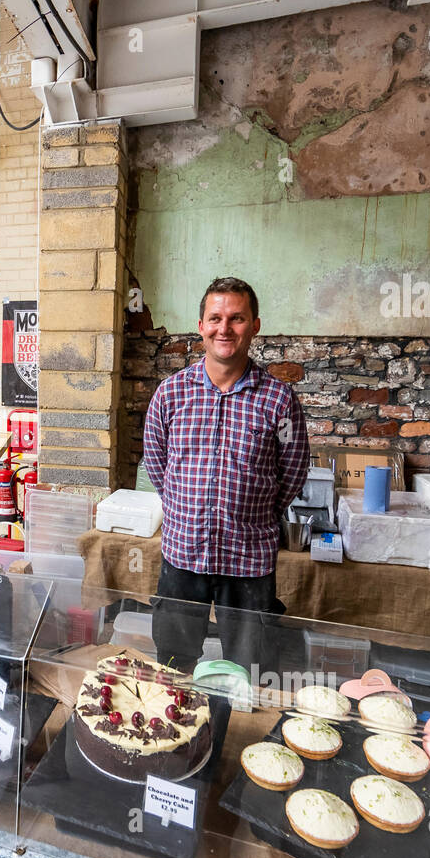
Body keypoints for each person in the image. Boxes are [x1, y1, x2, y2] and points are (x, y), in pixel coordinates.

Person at [142, 277, 310, 673]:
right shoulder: (171, 393)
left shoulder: (278, 399)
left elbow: (294, 468)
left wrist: (252, 513)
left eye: (237, 318)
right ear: (201, 325)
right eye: (215, 318)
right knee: (171, 665)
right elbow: (155, 461)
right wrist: (187, 509)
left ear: (254, 326)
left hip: (248, 559)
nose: (224, 328)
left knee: (251, 669)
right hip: (183, 553)